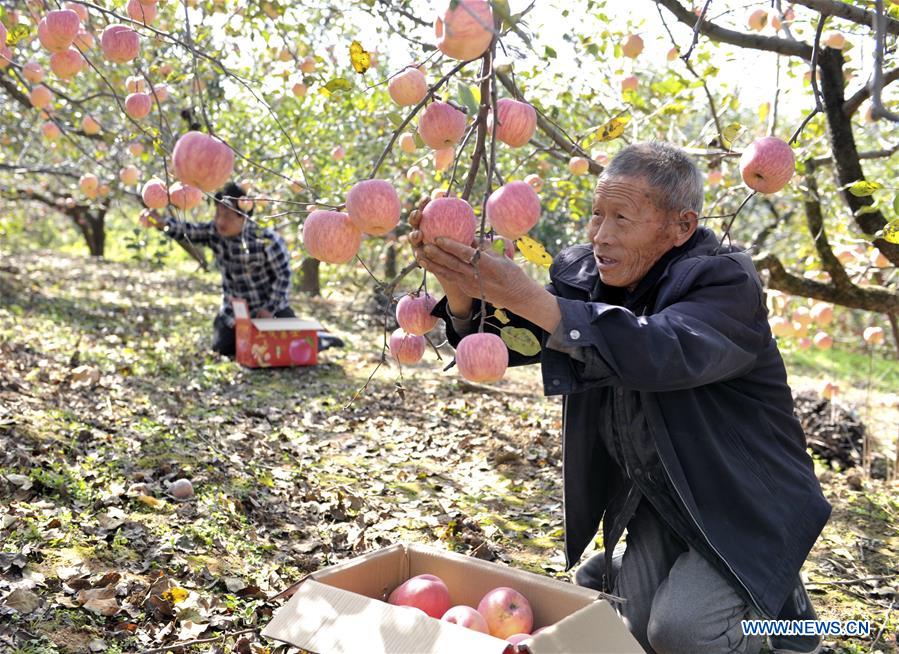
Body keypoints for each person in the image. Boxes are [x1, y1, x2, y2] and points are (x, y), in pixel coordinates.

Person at [411, 142, 830, 654]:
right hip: (665, 498)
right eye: (596, 215)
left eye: (621, 218)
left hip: (746, 502)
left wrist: (526, 294)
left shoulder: (724, 282)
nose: (600, 236)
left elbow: (657, 348)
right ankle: (649, 575)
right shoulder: (595, 278)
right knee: (638, 635)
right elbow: (516, 339)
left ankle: (795, 626)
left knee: (683, 634)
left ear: (681, 226)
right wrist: (460, 287)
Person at [141, 181, 296, 357]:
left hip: (269, 309)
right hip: (235, 311)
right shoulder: (214, 232)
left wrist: (270, 308)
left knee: (291, 347)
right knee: (224, 349)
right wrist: (161, 223)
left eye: (228, 216)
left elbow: (283, 276)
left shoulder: (266, 240)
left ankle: (322, 339)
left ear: (243, 217)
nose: (220, 221)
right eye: (218, 214)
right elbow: (188, 230)